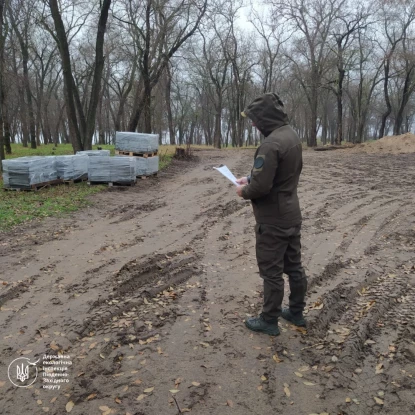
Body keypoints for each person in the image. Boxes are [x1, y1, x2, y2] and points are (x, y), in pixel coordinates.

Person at [236, 92, 307, 336]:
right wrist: (250, 176)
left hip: (273, 220)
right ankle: (296, 312)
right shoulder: (291, 136)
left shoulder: (270, 144)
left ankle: (269, 320)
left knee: (272, 272)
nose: (253, 124)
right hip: (291, 214)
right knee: (295, 267)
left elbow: (260, 188)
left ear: (265, 117)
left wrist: (243, 190)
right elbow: (277, 175)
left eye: (255, 119)